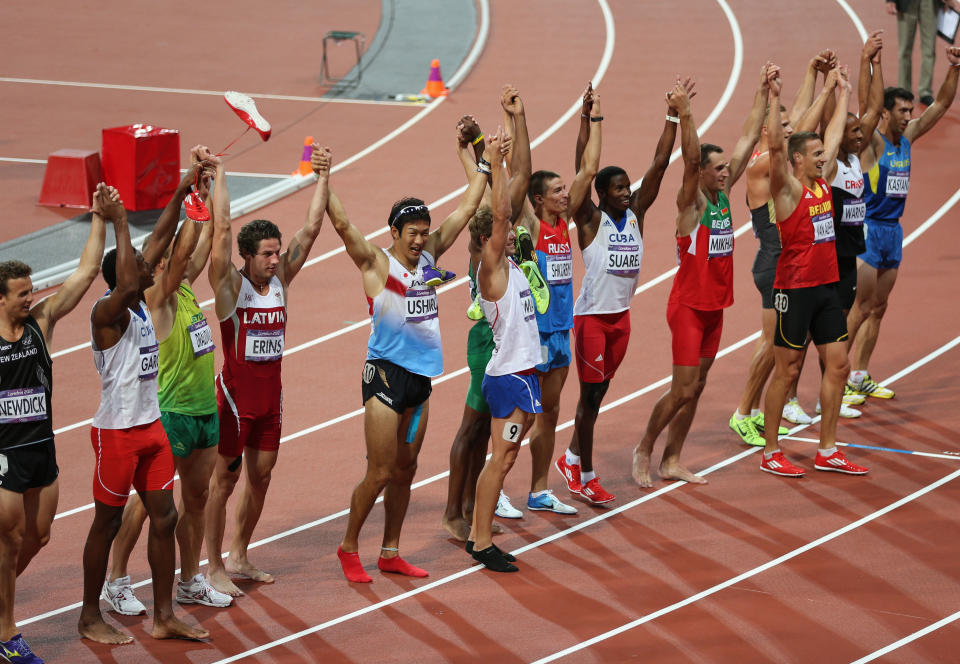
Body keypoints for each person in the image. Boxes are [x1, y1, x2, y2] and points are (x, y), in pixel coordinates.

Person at [333, 121, 490, 583]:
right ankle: (347, 547)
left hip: (420, 381)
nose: (421, 240)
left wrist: (485, 163)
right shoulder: (377, 263)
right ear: (395, 231)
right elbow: (342, 225)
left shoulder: (430, 256)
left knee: (406, 471)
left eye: (424, 232)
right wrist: (323, 179)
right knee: (380, 471)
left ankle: (389, 551)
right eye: (413, 233)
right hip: (383, 376)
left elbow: (467, 207)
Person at [79, 175, 209, 644]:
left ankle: (163, 614)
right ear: (122, 276)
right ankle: (90, 615)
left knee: (166, 517)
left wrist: (179, 192)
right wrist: (117, 221)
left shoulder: (137, 303)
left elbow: (158, 239)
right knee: (107, 522)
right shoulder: (106, 313)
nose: (150, 263)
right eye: (138, 264)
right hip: (116, 433)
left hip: (151, 428)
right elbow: (131, 273)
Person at [100, 149, 231, 615]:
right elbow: (178, 255)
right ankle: (115, 580)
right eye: (137, 259)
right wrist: (193, 204)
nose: (146, 259)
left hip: (202, 410)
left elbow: (199, 245)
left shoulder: (186, 288)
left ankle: (190, 578)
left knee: (195, 500)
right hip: (169, 410)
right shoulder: (156, 296)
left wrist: (204, 188)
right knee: (147, 504)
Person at [632, 66, 771, 488]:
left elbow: (747, 139)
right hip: (689, 309)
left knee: (698, 386)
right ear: (702, 174)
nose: (726, 172)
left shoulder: (724, 198)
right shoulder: (691, 205)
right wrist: (686, 113)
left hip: (716, 309)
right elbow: (690, 160)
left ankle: (673, 458)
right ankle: (645, 449)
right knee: (681, 389)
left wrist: (764, 91)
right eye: (718, 169)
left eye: (726, 168)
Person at [204, 143, 331, 596]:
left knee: (261, 477)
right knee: (225, 480)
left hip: (271, 401)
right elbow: (220, 232)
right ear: (247, 256)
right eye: (267, 254)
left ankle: (240, 553)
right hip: (236, 401)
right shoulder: (230, 287)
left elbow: (312, 228)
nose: (276, 260)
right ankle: (214, 564)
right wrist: (219, 174)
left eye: (278, 252)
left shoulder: (279, 282)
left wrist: (323, 177)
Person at [557, 80, 690, 504]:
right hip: (593, 319)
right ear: (600, 196)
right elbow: (582, 169)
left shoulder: (636, 214)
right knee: (589, 400)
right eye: (618, 189)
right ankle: (585, 474)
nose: (627, 191)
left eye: (627, 187)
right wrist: (587, 117)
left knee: (599, 395)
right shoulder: (590, 221)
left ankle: (572, 456)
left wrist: (673, 115)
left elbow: (660, 163)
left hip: (622, 318)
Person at [0, 187, 108, 664]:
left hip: (42, 448)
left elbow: (84, 274)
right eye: (23, 294)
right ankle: (7, 631)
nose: (32, 297)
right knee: (9, 537)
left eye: (32, 290)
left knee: (39, 536)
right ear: (1, 299)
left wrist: (100, 219)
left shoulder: (41, 323)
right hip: (4, 455)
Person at [729, 51, 845, 446]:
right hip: (776, 261)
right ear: (768, 133)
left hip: (793, 258)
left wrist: (813, 76)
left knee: (790, 346)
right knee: (772, 345)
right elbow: (798, 135)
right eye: (782, 126)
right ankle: (745, 412)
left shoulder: (779, 157)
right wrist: (828, 88)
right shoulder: (763, 164)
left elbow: (796, 122)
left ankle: (775, 403)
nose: (790, 125)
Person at [758, 65, 869, 477]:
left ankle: (827, 449)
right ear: (798, 159)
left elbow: (836, 135)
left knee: (838, 365)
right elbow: (773, 151)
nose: (825, 157)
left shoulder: (823, 183)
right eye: (817, 154)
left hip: (826, 287)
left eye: (825, 153)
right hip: (795, 289)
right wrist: (772, 97)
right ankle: (771, 451)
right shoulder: (788, 189)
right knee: (786, 370)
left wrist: (842, 94)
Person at [442, 88, 532, 541]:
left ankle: (466, 507)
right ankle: (452, 512)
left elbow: (496, 194)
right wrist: (484, 153)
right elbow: (493, 202)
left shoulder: (490, 242)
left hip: (496, 342)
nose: (511, 232)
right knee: (472, 427)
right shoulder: (486, 257)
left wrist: (479, 149)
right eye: (504, 229)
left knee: (481, 433)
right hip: (486, 344)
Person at [846, 45, 960, 399]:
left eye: (911, 110)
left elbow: (940, 106)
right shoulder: (872, 144)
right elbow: (866, 105)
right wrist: (872, 64)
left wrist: (955, 68)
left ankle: (859, 376)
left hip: (893, 233)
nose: (909, 115)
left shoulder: (907, 138)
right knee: (859, 309)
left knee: (878, 308)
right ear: (885, 114)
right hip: (868, 229)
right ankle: (834, 376)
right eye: (902, 110)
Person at [512, 83, 601, 514]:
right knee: (520, 417)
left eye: (567, 190)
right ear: (538, 200)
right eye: (558, 191)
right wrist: (520, 117)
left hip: (561, 332)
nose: (566, 194)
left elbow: (588, 168)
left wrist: (589, 118)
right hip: (533, 334)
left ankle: (538, 489)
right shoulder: (530, 224)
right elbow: (519, 170)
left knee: (549, 413)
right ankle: (494, 489)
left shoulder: (564, 226)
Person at [467, 128, 540, 573]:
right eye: (503, 231)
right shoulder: (490, 268)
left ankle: (481, 536)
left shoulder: (513, 266)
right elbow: (500, 213)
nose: (511, 232)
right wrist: (493, 164)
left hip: (524, 373)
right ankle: (481, 540)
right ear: (489, 241)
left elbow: (510, 211)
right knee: (502, 458)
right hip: (509, 377)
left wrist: (507, 165)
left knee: (508, 457)